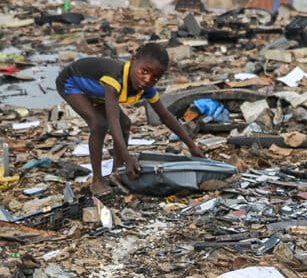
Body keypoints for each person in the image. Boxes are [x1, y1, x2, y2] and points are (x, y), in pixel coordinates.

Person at [56, 43, 204, 197]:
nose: (148, 79)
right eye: (144, 71)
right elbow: (112, 123)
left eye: (155, 77)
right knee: (99, 124)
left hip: (97, 92)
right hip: (72, 83)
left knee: (125, 124)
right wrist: (128, 158)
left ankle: (116, 173)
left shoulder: (146, 88)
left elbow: (166, 116)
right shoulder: (114, 78)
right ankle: (97, 180)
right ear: (133, 61)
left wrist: (192, 146)